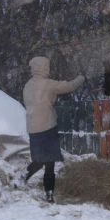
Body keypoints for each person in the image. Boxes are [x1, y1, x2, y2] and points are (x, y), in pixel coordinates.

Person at [23, 56, 85, 203]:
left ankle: (22, 178)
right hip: (47, 126)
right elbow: (69, 86)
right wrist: (81, 77)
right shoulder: (47, 84)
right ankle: (49, 194)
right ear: (43, 67)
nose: (49, 69)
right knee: (49, 162)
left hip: (32, 128)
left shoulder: (28, 85)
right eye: (47, 66)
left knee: (38, 159)